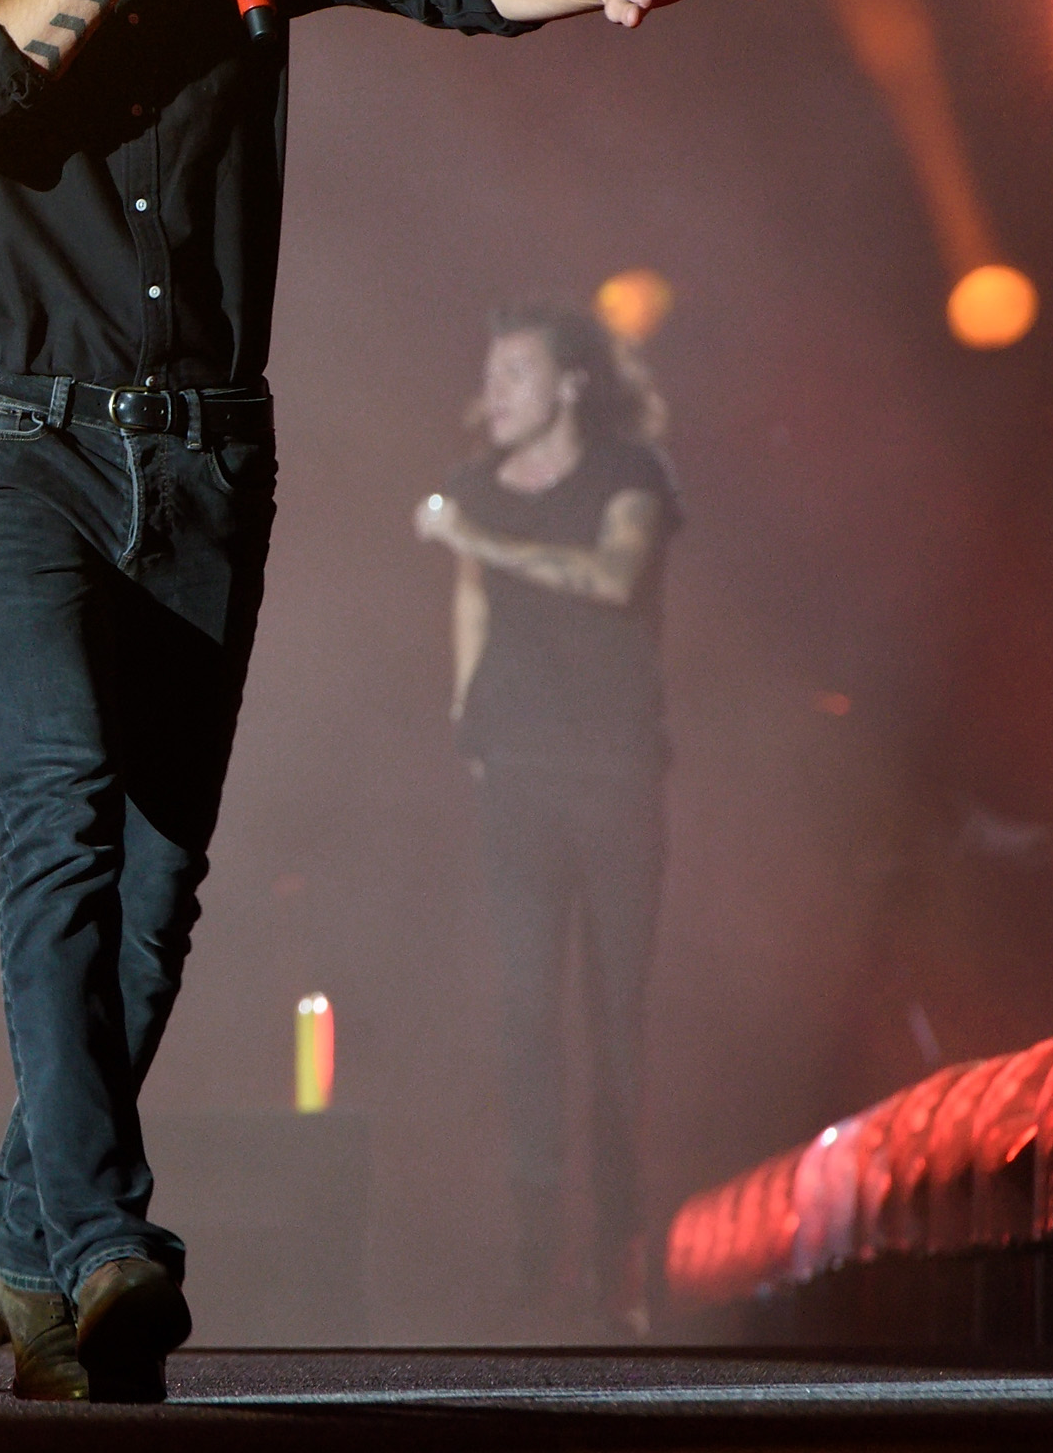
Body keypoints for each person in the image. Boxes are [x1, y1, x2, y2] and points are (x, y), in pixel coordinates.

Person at [0, 0, 763, 1402]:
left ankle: (34, 1245)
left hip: (203, 451)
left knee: (161, 879)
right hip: (9, 441)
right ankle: (109, 1240)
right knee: (58, 821)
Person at [413, 304, 681, 1335]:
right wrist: (465, 716)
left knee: (615, 1016)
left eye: (518, 369)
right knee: (525, 1007)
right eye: (493, 369)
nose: (499, 389)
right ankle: (536, 1252)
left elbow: (614, 579)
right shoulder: (478, 489)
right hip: (516, 774)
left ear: (570, 381)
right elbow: (472, 601)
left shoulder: (630, 475)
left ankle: (620, 1249)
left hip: (614, 775)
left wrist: (474, 537)